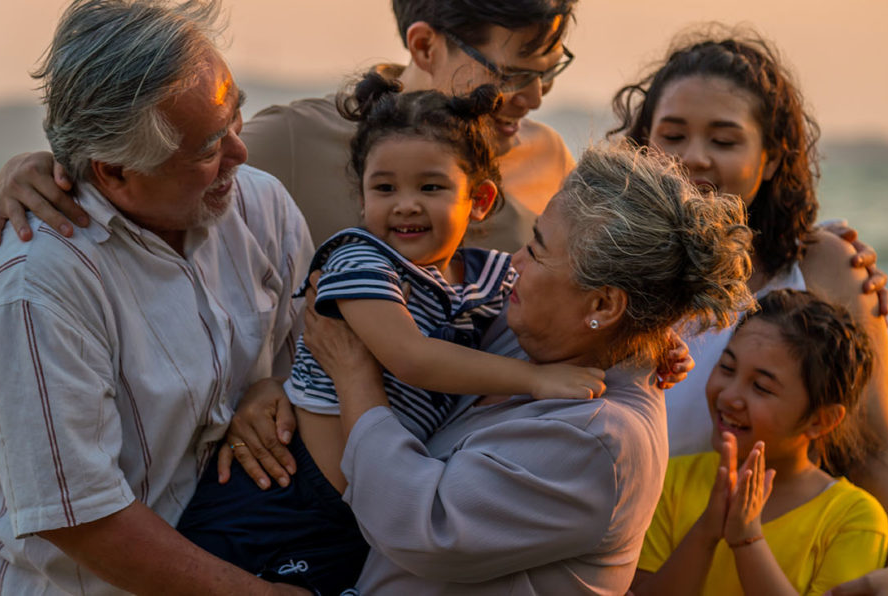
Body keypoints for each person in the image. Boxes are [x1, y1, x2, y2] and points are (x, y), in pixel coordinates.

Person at [172, 74, 603, 595]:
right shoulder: (361, 261)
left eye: (431, 186)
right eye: (384, 188)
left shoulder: (485, 276)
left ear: (482, 199)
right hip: (285, 492)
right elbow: (409, 356)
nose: (405, 204)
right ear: (360, 198)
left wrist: (650, 345)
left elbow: (561, 295)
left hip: (359, 517)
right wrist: (536, 380)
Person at [0, 0, 313, 595]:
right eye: (207, 147)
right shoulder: (37, 284)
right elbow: (81, 517)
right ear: (115, 172)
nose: (239, 151)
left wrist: (277, 388)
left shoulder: (261, 205)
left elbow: (323, 360)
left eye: (234, 118)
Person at [0, 0, 577, 254]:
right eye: (511, 76)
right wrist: (40, 170)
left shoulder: (550, 161)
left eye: (547, 75)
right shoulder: (294, 141)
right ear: (423, 46)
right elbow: (146, 181)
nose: (532, 100)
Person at [287, 142, 753, 592]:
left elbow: (422, 524)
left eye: (537, 250)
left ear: (604, 304)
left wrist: (351, 375)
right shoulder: (546, 337)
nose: (513, 263)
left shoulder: (597, 442)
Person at [614, 30, 888, 593]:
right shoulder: (610, 268)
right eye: (672, 134)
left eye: (725, 140)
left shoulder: (825, 266)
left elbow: (872, 441)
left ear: (772, 158)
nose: (694, 157)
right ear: (642, 145)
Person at [632, 289, 887, 595]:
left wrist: (747, 539)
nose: (729, 396)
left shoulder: (853, 519)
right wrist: (706, 531)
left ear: (821, 420)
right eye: (727, 368)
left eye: (762, 387)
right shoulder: (667, 481)